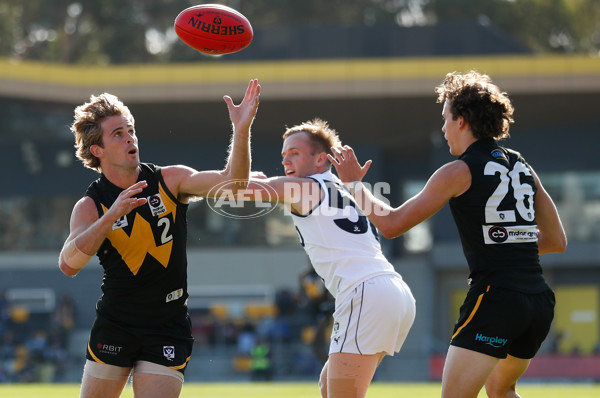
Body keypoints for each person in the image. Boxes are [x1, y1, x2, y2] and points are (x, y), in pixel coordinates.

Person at [328, 70, 567, 398]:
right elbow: (557, 241)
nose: (443, 128)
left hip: (496, 299)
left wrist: (354, 184)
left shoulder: (458, 171)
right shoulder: (523, 167)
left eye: (446, 118)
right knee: (502, 390)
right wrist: (508, 247)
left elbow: (393, 224)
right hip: (538, 301)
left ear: (462, 120)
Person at [58, 79, 260, 398]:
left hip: (167, 323)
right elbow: (69, 265)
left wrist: (242, 128)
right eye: (118, 134)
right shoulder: (90, 206)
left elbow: (235, 185)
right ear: (98, 150)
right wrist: (111, 216)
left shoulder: (170, 179)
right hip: (117, 321)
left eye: (130, 130)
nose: (130, 139)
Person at [238, 118, 416, 398]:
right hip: (394, 292)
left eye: (294, 153)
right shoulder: (344, 186)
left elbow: (234, 188)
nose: (286, 160)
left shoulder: (304, 187)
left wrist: (240, 130)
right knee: (328, 387)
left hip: (365, 293)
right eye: (284, 155)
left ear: (321, 158)